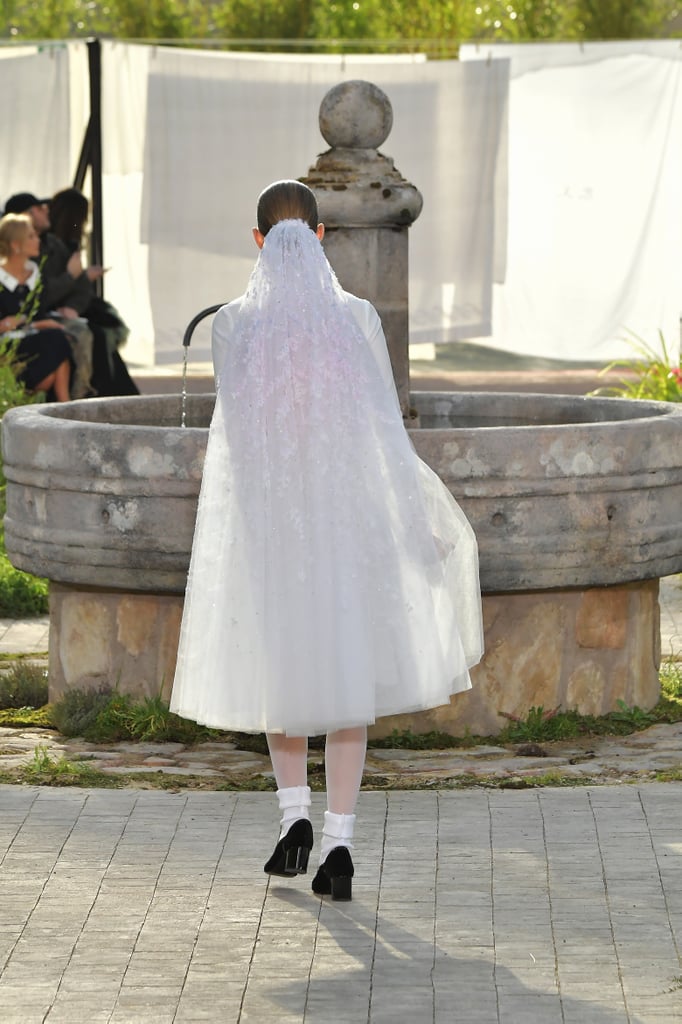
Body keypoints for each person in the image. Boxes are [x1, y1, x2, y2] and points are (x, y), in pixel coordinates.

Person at [170, 180, 484, 901]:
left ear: (256, 242)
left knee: (282, 675)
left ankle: (293, 820)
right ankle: (339, 842)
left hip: (269, 526)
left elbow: (239, 438)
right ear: (319, 237)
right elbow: (381, 429)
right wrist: (417, 520)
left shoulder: (230, 327)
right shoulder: (357, 319)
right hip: (345, 527)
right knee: (344, 681)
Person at [4, 190, 139, 398]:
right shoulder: (17, 266)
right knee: (72, 338)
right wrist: (71, 276)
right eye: (39, 208)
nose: (46, 210)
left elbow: (74, 290)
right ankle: (74, 399)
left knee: (86, 336)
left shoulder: (45, 252)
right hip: (21, 335)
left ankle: (78, 399)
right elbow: (42, 300)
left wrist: (73, 304)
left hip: (45, 322)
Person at [0, 214, 72, 401]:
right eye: (31, 236)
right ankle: (64, 404)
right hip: (7, 348)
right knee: (56, 345)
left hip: (33, 339)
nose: (38, 240)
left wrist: (38, 324)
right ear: (16, 245)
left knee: (58, 341)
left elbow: (35, 315)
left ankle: (61, 403)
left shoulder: (35, 275)